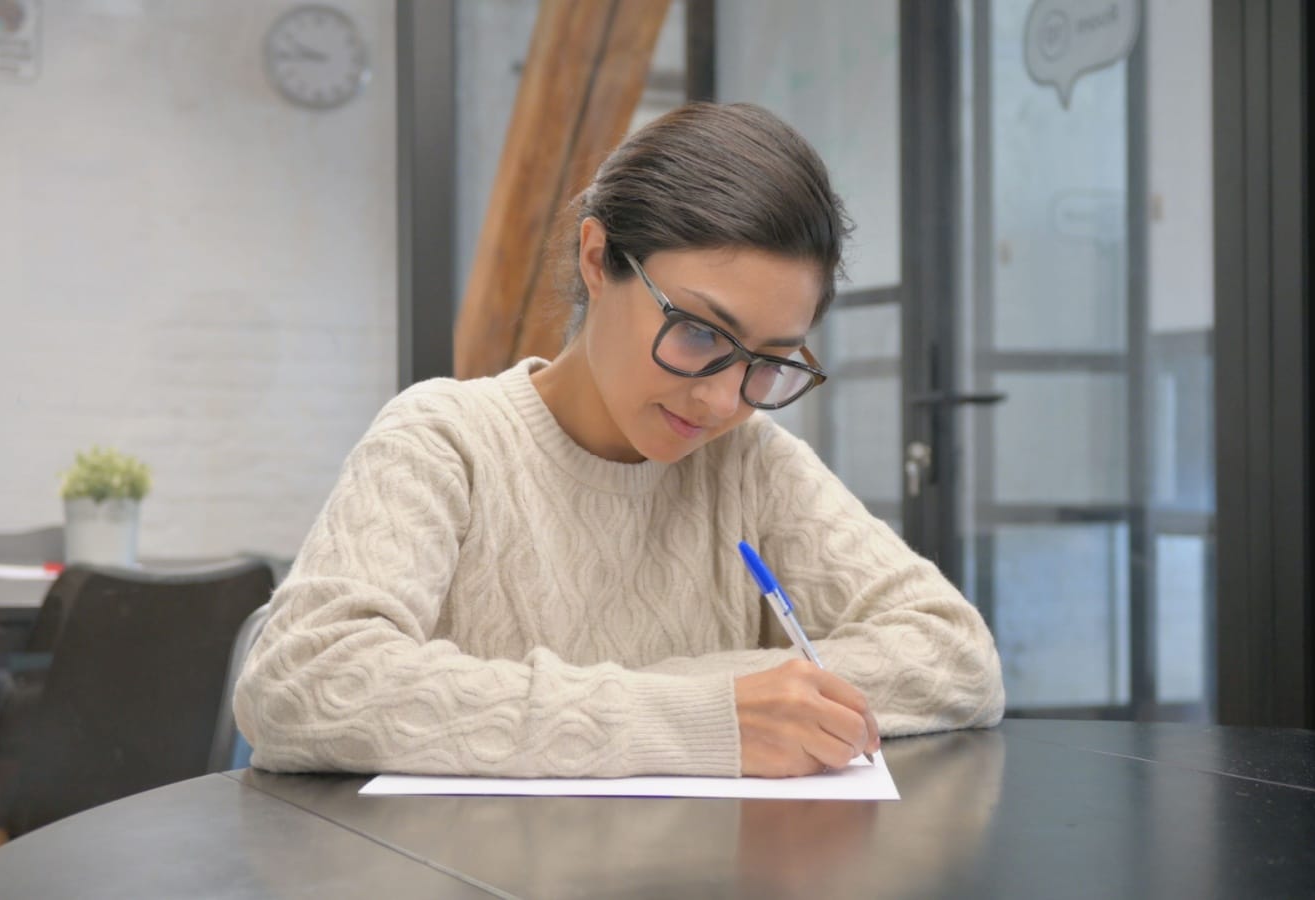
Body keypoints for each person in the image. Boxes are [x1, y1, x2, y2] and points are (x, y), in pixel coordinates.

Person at [234, 102, 1003, 780]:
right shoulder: (445, 441)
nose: (721, 399)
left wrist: (719, 706)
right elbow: (301, 683)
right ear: (597, 258)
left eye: (768, 363)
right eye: (700, 331)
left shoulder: (749, 462)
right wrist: (700, 714)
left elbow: (956, 655)